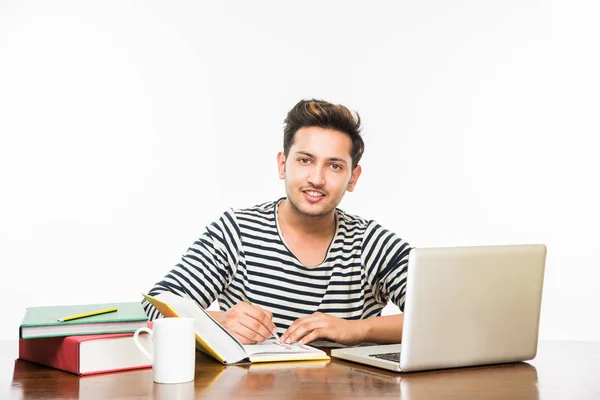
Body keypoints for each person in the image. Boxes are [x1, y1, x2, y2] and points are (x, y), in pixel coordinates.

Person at [142, 99, 411, 346]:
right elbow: (159, 305)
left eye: (334, 166)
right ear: (283, 165)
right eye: (305, 160)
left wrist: (357, 329)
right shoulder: (236, 231)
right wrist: (222, 321)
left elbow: (442, 318)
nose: (316, 178)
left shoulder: (372, 243)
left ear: (353, 178)